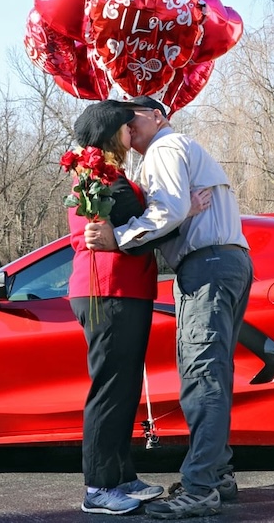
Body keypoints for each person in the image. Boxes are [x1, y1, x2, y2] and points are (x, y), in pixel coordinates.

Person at [84, 96, 253, 519]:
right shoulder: (178, 150)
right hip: (223, 262)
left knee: (202, 379)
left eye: (133, 113)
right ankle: (217, 476)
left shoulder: (164, 148)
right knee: (212, 374)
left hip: (207, 266)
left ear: (158, 116)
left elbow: (170, 209)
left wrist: (118, 239)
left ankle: (200, 489)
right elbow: (178, 211)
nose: (126, 120)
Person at [68, 100, 211, 516]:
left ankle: (121, 475)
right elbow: (140, 232)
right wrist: (186, 212)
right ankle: (98, 488)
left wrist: (180, 210)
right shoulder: (99, 180)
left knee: (125, 386)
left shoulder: (111, 175)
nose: (135, 131)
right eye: (127, 126)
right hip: (107, 290)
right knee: (110, 389)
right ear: (116, 134)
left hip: (126, 291)